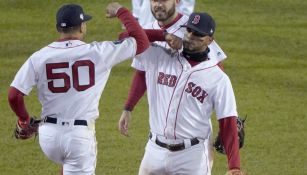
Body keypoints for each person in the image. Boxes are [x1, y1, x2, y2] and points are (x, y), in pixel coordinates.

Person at [8, 2, 149, 175]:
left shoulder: (39, 56)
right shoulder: (99, 52)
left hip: (49, 136)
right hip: (77, 138)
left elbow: (14, 95)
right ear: (82, 26)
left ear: (58, 28)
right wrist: (122, 12)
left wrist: (24, 120)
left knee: (66, 167)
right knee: (73, 162)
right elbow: (142, 42)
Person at [119, 12, 244, 175]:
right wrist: (163, 36)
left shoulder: (218, 78)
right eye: (189, 30)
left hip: (192, 157)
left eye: (198, 34)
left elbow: (228, 122)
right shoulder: (161, 57)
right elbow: (125, 36)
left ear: (210, 40)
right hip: (154, 151)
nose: (191, 36)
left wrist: (234, 166)